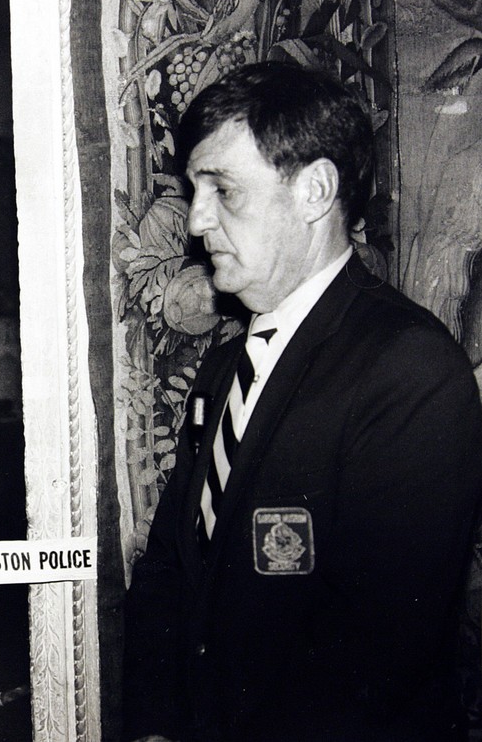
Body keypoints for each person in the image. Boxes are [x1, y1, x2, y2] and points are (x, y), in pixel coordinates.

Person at [122, 61, 482, 742]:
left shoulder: (407, 367)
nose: (196, 222)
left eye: (222, 189)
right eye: (194, 191)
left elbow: (375, 651)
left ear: (314, 191)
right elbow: (169, 565)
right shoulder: (227, 364)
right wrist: (154, 725)